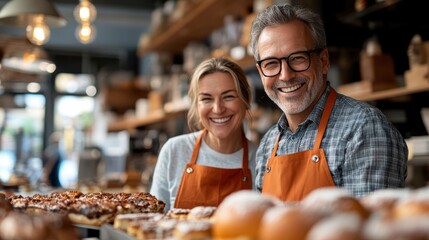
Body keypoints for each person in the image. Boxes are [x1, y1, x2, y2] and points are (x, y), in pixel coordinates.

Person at [249, 4, 408, 202]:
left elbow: (369, 230)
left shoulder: (364, 129)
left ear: (323, 61)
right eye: (271, 63)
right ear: (260, 72)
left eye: (298, 58)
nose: (285, 75)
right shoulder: (267, 145)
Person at [150, 57, 257, 211]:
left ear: (246, 100)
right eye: (206, 99)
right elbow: (154, 223)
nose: (218, 109)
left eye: (228, 97)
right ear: (197, 106)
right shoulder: (174, 151)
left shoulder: (261, 160)